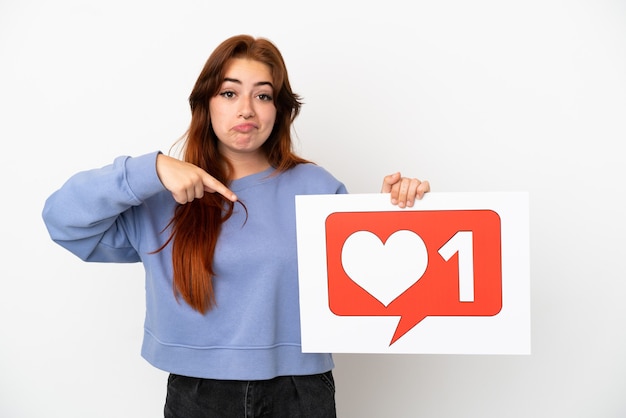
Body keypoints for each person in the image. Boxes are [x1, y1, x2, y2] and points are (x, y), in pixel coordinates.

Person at [42, 34, 430, 418]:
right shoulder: (161, 194)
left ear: (279, 109)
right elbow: (63, 220)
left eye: (262, 95)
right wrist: (152, 167)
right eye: (229, 94)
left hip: (300, 391)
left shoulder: (318, 187)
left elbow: (365, 287)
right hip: (196, 394)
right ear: (205, 103)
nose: (247, 110)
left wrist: (390, 216)